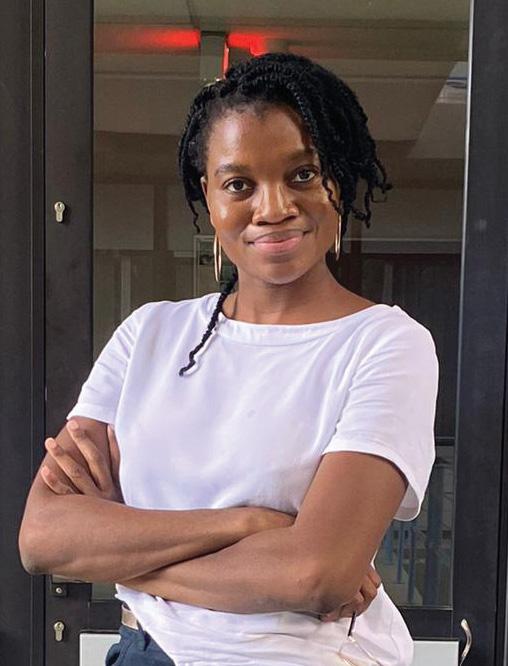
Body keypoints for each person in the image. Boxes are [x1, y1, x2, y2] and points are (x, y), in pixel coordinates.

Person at [19, 52, 439, 665]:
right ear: (208, 198)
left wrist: (119, 555)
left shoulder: (385, 343)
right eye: (239, 184)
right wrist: (248, 524)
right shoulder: (149, 335)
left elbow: (314, 574)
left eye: (302, 174)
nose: (273, 207)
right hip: (142, 651)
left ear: (339, 182)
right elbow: (43, 537)